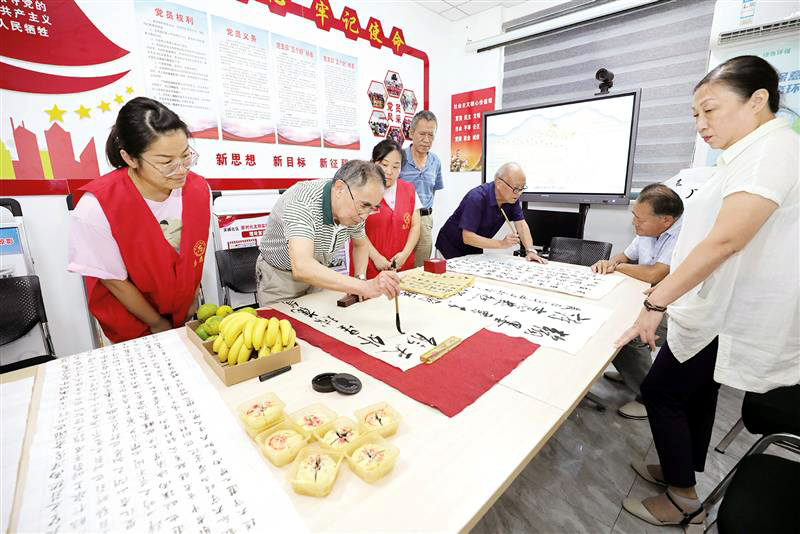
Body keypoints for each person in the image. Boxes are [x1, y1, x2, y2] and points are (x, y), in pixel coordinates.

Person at [616, 55, 799, 529]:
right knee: (696, 394)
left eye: (710, 110)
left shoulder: (770, 152)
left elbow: (725, 240)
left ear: (757, 100)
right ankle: (680, 471)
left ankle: (682, 498)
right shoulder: (747, 153)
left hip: (727, 310)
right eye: (695, 114)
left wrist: (656, 302)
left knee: (660, 391)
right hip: (718, 307)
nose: (700, 124)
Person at [68, 97, 210, 343]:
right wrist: (157, 323)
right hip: (132, 322)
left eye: (186, 156)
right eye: (166, 162)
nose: (181, 169)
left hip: (182, 312)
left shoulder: (198, 189)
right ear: (130, 158)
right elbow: (114, 281)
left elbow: (193, 254)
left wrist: (190, 303)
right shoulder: (97, 207)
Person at [592, 184, 684, 420]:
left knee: (628, 332)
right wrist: (611, 262)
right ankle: (630, 373)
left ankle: (649, 396)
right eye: (634, 215)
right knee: (611, 317)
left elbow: (656, 273)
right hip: (649, 302)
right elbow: (624, 256)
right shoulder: (646, 231)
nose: (634, 222)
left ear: (666, 220)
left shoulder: (684, 235)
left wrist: (617, 267)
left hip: (677, 311)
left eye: (640, 219)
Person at [255, 160, 401, 306]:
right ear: (340, 189)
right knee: (280, 320)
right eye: (364, 206)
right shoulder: (302, 201)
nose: (364, 216)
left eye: (372, 208)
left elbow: (360, 245)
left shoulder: (355, 209)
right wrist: (364, 287)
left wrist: (360, 278)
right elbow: (302, 266)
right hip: (280, 278)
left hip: (318, 274)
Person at [434, 162, 546, 263]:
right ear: (499, 183)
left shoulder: (512, 198)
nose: (519, 193)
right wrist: (502, 244)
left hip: (474, 249)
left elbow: (521, 225)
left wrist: (530, 251)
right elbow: (467, 237)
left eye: (522, 188)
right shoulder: (477, 198)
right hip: (450, 248)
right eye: (516, 188)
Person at [356, 140, 421, 279]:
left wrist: (405, 254)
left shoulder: (409, 190)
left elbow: (415, 226)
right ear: (373, 163)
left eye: (396, 167)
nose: (389, 172)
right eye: (384, 165)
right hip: (368, 264)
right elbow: (356, 229)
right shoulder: (361, 189)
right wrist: (376, 257)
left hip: (402, 266)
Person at [399, 110, 443, 267]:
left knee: (421, 267)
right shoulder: (399, 158)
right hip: (403, 219)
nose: (426, 140)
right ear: (411, 133)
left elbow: (433, 190)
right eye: (422, 134)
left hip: (425, 219)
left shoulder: (435, 161)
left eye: (431, 135)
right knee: (400, 263)